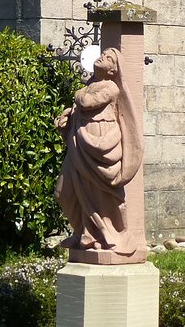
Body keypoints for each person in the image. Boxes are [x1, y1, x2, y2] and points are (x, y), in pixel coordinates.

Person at [55, 47, 143, 257]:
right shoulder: (89, 85)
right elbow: (79, 109)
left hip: (102, 147)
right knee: (63, 193)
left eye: (109, 58)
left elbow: (87, 102)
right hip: (80, 147)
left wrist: (77, 97)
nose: (102, 57)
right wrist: (66, 122)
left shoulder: (111, 87)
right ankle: (82, 232)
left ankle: (99, 235)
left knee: (99, 196)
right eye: (103, 54)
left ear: (113, 70)